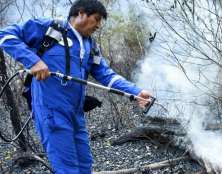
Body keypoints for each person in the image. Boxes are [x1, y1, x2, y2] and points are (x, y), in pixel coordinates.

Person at [0, 0, 152, 173]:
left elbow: (105, 74)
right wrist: (33, 61)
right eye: (96, 19)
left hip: (76, 113)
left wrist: (136, 92)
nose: (99, 25)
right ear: (81, 13)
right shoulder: (50, 28)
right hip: (52, 112)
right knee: (67, 168)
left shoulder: (90, 45)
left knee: (85, 164)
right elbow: (6, 35)